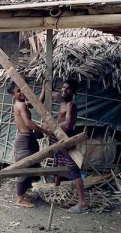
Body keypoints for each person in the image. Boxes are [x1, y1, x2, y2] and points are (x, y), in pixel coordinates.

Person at [8, 80, 54, 208]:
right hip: (24, 139)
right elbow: (28, 124)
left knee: (30, 166)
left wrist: (44, 89)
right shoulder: (20, 105)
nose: (21, 92)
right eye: (18, 91)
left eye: (21, 89)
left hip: (27, 138)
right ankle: (19, 199)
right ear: (13, 95)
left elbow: (37, 103)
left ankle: (22, 194)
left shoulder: (22, 104)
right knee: (23, 167)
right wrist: (45, 131)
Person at [48, 79, 88, 213]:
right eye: (63, 88)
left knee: (73, 169)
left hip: (66, 139)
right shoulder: (62, 103)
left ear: (74, 91)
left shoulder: (71, 104)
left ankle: (82, 203)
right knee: (59, 164)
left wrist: (53, 128)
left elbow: (69, 124)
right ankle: (55, 191)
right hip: (58, 138)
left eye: (68, 89)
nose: (64, 90)